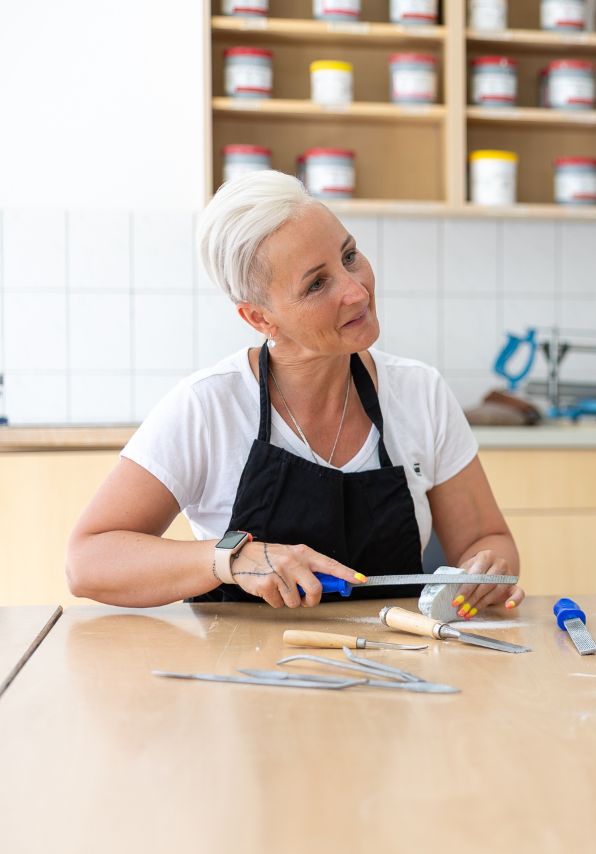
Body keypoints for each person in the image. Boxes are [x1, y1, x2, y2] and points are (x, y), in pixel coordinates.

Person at [66, 171, 524, 616]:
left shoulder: (420, 392)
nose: (356, 290)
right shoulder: (208, 407)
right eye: (316, 284)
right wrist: (232, 557)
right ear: (260, 319)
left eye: (349, 256)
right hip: (242, 680)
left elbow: (487, 540)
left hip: (399, 665)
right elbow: (87, 562)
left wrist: (487, 570)